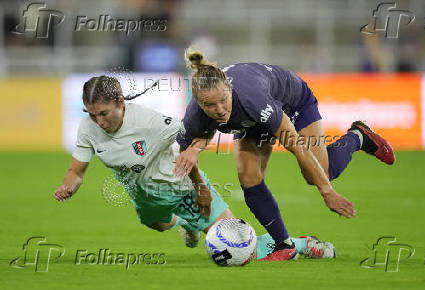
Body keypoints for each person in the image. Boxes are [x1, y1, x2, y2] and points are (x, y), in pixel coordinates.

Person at [53, 75, 336, 263]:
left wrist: (201, 188)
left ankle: (302, 244)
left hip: (182, 190)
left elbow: (191, 141)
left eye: (104, 113)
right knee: (157, 224)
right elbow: (76, 171)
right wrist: (69, 185)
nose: (99, 121)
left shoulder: (152, 123)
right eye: (92, 114)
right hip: (144, 198)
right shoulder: (88, 128)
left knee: (240, 245)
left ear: (120, 104)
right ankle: (186, 225)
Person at [174, 49, 395, 261]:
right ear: (198, 102)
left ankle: (358, 136)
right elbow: (187, 153)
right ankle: (284, 245)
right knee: (249, 177)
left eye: (223, 99)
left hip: (292, 101)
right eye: (210, 105)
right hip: (251, 119)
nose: (220, 109)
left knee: (321, 173)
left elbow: (298, 148)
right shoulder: (194, 115)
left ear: (229, 89)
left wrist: (327, 191)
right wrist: (201, 189)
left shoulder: (253, 99)